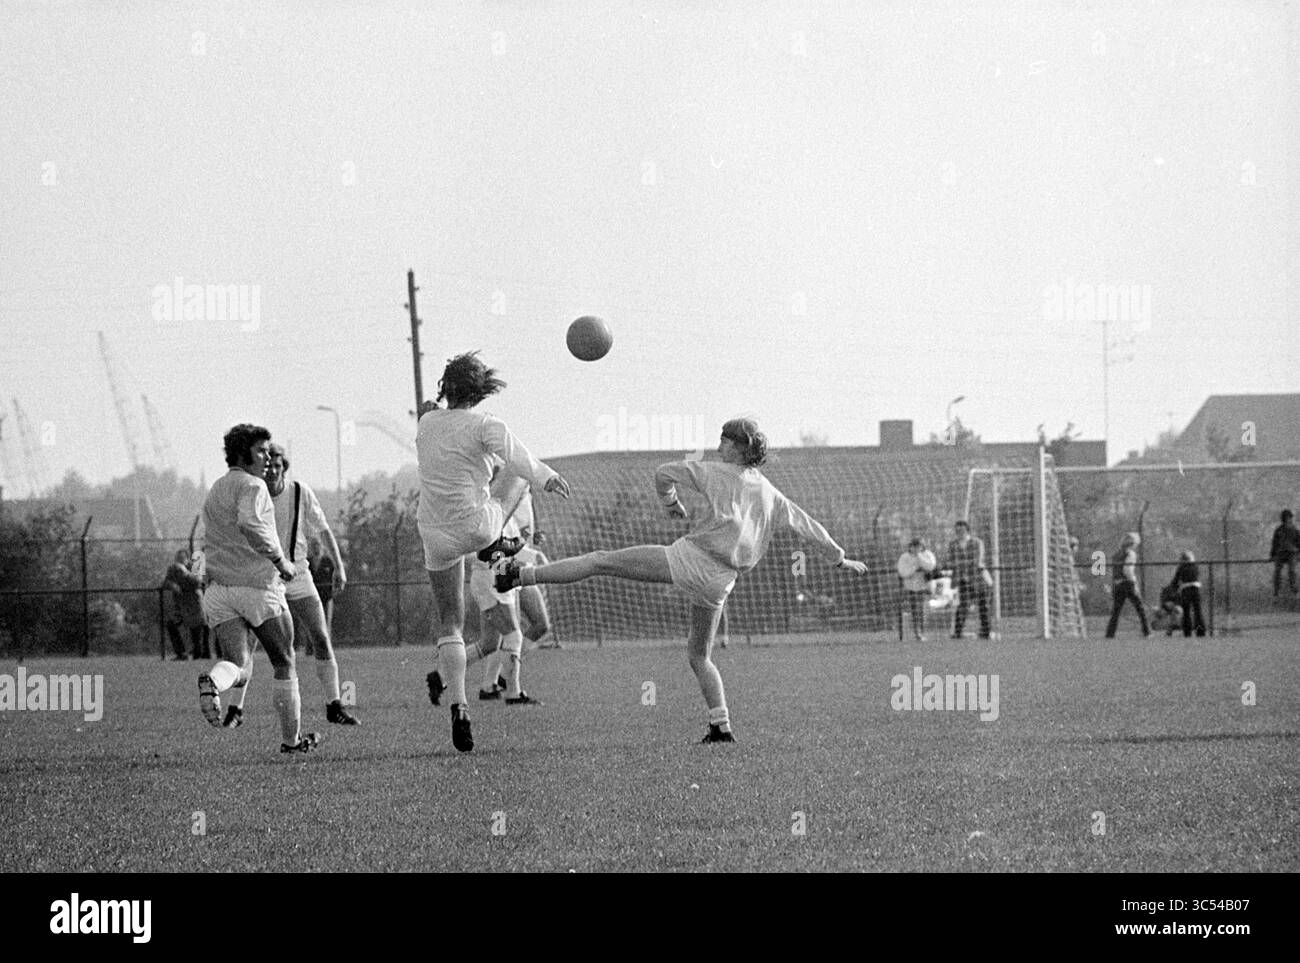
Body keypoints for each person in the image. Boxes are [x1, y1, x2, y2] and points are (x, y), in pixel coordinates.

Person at [494, 417, 868, 744]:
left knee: (599, 561)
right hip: (722, 581)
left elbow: (662, 472)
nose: (719, 444)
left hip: (692, 560)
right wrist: (840, 558)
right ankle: (720, 726)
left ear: (740, 448)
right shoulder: (770, 492)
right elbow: (808, 526)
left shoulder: (714, 470)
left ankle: (519, 575)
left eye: (725, 439)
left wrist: (671, 502)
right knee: (699, 655)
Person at [416, 352, 570, 753]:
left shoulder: (426, 424)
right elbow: (519, 457)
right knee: (517, 474)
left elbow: (436, 417)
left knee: (450, 623)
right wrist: (548, 478)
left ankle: (460, 705)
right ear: (481, 391)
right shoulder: (486, 424)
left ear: (444, 387)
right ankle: (503, 544)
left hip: (435, 533)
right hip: (480, 527)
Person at [196, 424, 318, 754]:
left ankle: (214, 683)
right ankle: (291, 742)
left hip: (221, 591)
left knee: (237, 663)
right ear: (243, 452)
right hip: (258, 588)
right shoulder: (253, 486)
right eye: (261, 450)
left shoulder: (216, 487)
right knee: (284, 661)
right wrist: (282, 561)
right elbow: (250, 524)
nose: (267, 457)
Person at [220, 444, 358, 729]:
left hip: (298, 573)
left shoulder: (299, 492)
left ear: (285, 467)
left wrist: (339, 566)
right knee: (253, 645)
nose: (271, 470)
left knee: (320, 636)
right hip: (265, 577)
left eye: (277, 465)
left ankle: (335, 704)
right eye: (267, 465)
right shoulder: (252, 493)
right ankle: (236, 708)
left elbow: (323, 529)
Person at [944, 520, 991, 639]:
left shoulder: (977, 542)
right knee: (962, 606)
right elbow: (950, 561)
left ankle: (986, 632)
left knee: (983, 606)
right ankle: (958, 632)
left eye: (961, 530)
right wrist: (959, 565)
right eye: (957, 530)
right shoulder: (953, 544)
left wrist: (959, 563)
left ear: (967, 530)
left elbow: (977, 560)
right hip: (963, 579)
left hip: (979, 579)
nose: (959, 532)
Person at [1104, 532, 1149, 639]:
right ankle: (1146, 631)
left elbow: (1114, 571)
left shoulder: (1116, 554)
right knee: (1140, 608)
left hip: (1117, 584)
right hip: (1127, 584)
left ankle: (1110, 634)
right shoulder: (1130, 554)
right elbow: (1127, 570)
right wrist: (1134, 583)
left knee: (1116, 611)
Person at [896, 537, 938, 641]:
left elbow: (931, 566)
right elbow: (902, 572)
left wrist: (919, 557)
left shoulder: (927, 554)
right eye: (914, 546)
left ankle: (921, 632)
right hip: (911, 588)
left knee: (923, 610)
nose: (916, 548)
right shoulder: (904, 557)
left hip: (926, 588)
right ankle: (917, 632)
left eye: (918, 546)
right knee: (915, 610)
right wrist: (915, 568)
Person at [308, 538, 337, 633]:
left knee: (326, 623)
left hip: (326, 597)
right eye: (314, 545)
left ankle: (327, 645)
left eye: (318, 545)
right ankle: (310, 647)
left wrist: (333, 591)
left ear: (322, 546)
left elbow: (336, 576)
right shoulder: (307, 563)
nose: (316, 547)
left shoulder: (328, 561)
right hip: (312, 598)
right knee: (311, 624)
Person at [1174, 550, 1206, 637]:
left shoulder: (1181, 568)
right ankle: (1200, 632)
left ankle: (1187, 632)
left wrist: (1174, 588)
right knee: (1198, 611)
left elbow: (1175, 581)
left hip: (1186, 590)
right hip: (1196, 590)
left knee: (1186, 612)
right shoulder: (1195, 567)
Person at [1269, 509, 1299, 599]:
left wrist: (1297, 551)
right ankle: (1276, 592)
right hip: (1281, 553)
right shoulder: (1279, 530)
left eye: (1289, 518)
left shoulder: (1294, 530)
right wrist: (1272, 555)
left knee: (1292, 571)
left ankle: (1294, 591)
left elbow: (1299, 542)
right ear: (1283, 519)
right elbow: (1275, 543)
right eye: (1286, 518)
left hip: (1292, 553)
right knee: (1277, 571)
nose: (1288, 520)